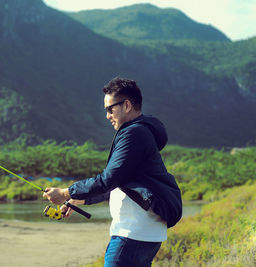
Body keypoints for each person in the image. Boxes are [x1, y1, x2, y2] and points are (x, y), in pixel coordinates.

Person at [43, 77, 182, 267]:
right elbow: (120, 185)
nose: (107, 115)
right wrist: (78, 199)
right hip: (141, 231)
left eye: (110, 109)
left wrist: (65, 192)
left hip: (133, 232)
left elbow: (108, 180)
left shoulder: (134, 134)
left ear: (126, 105)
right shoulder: (140, 132)